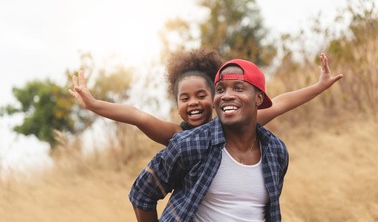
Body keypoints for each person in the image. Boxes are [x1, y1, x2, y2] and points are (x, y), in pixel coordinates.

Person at [129, 58, 289, 222]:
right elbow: (142, 194)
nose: (227, 96)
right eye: (220, 89)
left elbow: (267, 219)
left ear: (258, 98)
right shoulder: (189, 144)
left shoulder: (276, 152)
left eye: (238, 88)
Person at [68, 48, 343, 146]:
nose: (193, 103)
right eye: (184, 99)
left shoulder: (236, 125)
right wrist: (94, 104)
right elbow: (137, 115)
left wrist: (319, 86)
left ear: (216, 97)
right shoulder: (177, 135)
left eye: (201, 95)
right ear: (177, 105)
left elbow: (281, 101)